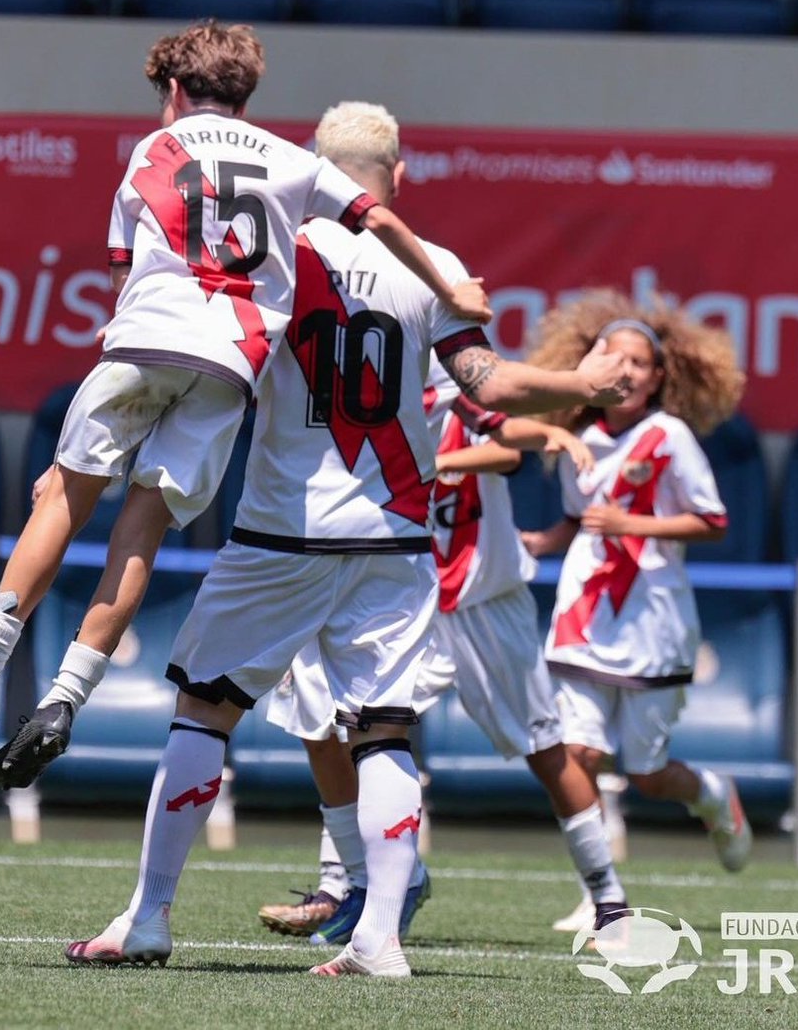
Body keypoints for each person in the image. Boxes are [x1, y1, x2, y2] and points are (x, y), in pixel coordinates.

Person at [63, 101, 631, 978]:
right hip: (397, 537)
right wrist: (578, 382)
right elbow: (496, 383)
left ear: (314, 173)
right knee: (387, 733)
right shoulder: (434, 268)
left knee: (206, 712)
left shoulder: (279, 256)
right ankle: (380, 941)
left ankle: (148, 916)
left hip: (282, 530)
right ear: (397, 176)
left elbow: (202, 364)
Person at [0, 22, 489, 757]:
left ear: (174, 91)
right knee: (140, 529)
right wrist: (449, 289)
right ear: (246, 91)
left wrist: (74, 449)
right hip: (229, 369)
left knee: (65, 497)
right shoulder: (289, 158)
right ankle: (63, 700)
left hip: (148, 339)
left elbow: (123, 272)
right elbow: (380, 221)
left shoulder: (156, 148)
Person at [259, 357, 629, 946]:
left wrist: (542, 434)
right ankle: (349, 885)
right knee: (333, 725)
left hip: (486, 601)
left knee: (545, 749)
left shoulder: (448, 389)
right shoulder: (356, 407)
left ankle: (609, 899)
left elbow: (505, 445)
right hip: (405, 596)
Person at [521, 289, 751, 928]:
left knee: (647, 774)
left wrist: (632, 522)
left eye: (638, 362)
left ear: (657, 378)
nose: (623, 370)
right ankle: (602, 891)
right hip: (585, 615)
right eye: (610, 356)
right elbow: (576, 519)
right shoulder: (576, 437)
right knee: (578, 756)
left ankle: (711, 795)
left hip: (652, 618)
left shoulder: (668, 436)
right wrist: (542, 542)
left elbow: (712, 521)